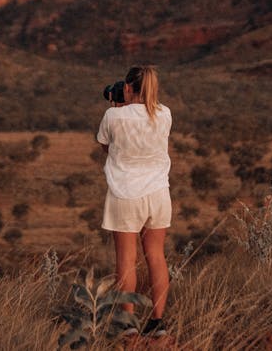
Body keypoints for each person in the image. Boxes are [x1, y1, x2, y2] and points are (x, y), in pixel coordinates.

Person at [96, 65, 172, 338]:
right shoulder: (164, 114)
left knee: (127, 259)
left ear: (127, 88)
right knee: (156, 256)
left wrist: (116, 108)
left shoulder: (113, 116)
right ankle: (158, 323)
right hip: (158, 194)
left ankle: (128, 323)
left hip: (125, 194)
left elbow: (105, 146)